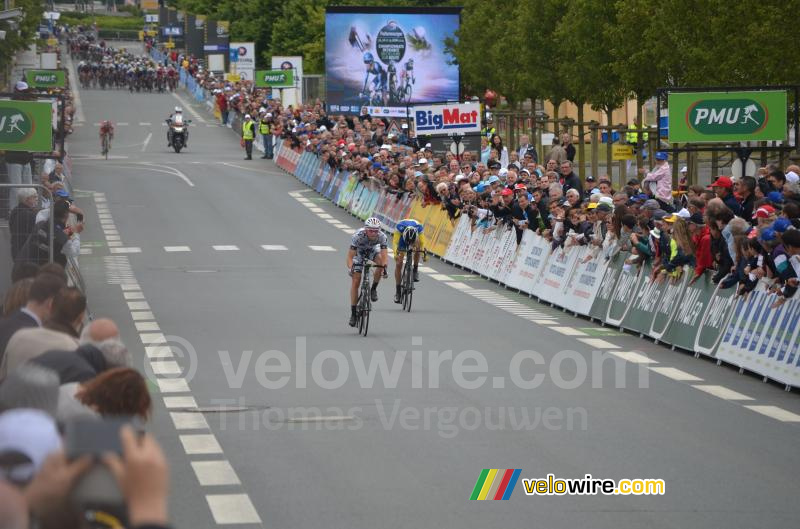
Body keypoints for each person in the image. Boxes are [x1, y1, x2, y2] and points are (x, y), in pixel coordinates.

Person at [346, 217, 388, 327]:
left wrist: (384, 267)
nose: (374, 233)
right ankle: (353, 314)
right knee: (356, 281)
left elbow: (384, 255)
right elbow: (350, 257)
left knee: (379, 262)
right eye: (371, 230)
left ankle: (373, 289)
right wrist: (351, 268)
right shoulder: (358, 236)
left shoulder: (382, 237)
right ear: (365, 230)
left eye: (376, 230)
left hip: (371, 250)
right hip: (358, 252)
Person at [392, 219, 426, 303]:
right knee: (399, 263)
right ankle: (398, 291)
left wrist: (424, 255)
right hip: (402, 240)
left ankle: (415, 270)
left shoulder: (419, 228)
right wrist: (396, 254)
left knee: (418, 249)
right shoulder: (399, 228)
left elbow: (423, 245)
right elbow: (395, 243)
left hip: (415, 238)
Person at [8, 188, 39, 260]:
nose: (36, 199)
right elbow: (33, 234)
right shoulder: (29, 214)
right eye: (34, 197)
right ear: (27, 199)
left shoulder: (15, 210)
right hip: (26, 252)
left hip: (16, 249)